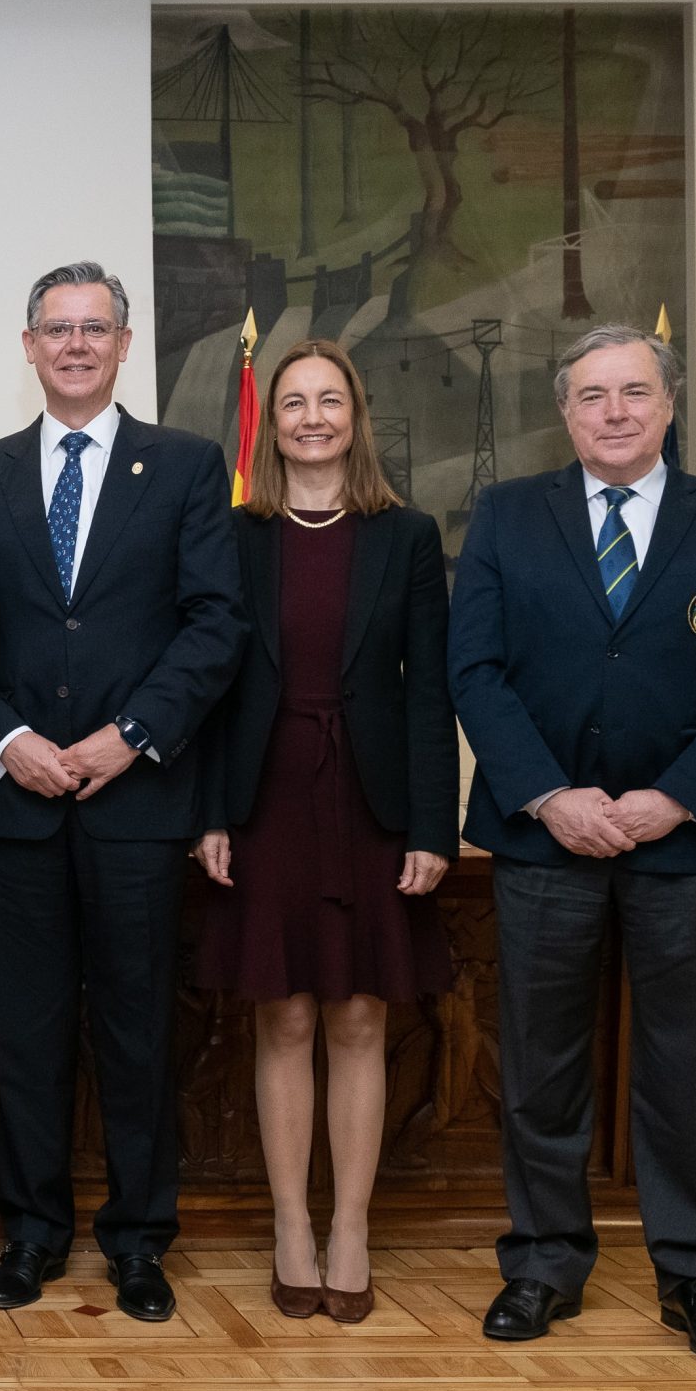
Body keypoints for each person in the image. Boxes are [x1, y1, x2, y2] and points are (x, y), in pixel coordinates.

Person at [449, 323, 696, 1370]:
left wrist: (675, 798)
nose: (613, 411)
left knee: (685, 1067)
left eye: (633, 391)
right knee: (539, 1064)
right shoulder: (509, 516)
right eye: (592, 394)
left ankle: (690, 1271)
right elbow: (475, 671)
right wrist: (551, 795)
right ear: (564, 411)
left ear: (669, 402)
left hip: (679, 845)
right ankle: (544, 1261)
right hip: (543, 837)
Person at [0, 263, 247, 1318]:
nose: (75, 345)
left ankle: (137, 1239)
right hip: (20, 800)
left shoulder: (183, 465)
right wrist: (9, 740)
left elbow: (217, 624)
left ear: (125, 343)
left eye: (95, 328)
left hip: (136, 801)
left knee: (136, 1030)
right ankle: (30, 1234)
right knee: (25, 1032)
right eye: (56, 329)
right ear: (28, 344)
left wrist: (130, 737)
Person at [190, 339, 457, 1326]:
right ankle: (290, 1223)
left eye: (328, 399)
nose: (309, 416)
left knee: (357, 1016)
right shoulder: (235, 533)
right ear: (272, 421)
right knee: (286, 1015)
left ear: (356, 414)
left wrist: (435, 824)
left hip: (369, 802)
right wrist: (210, 809)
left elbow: (429, 690)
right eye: (293, 400)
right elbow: (214, 687)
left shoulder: (408, 535)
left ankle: (350, 1224)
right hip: (263, 802)